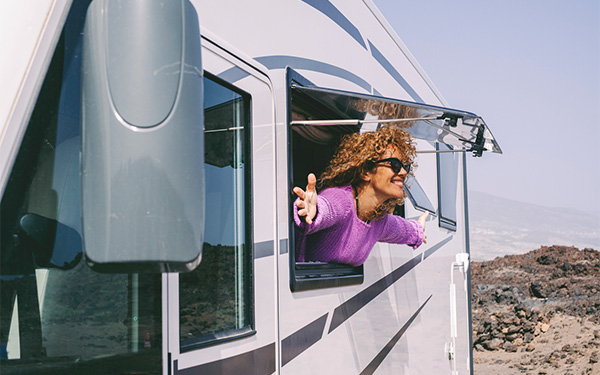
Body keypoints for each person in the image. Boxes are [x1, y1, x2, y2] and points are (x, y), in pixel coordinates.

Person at [293, 127, 428, 267]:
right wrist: (314, 210)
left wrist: (418, 230)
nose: (403, 172)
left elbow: (403, 230)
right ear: (365, 172)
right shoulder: (342, 200)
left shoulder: (377, 221)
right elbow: (327, 207)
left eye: (405, 167)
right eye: (394, 164)